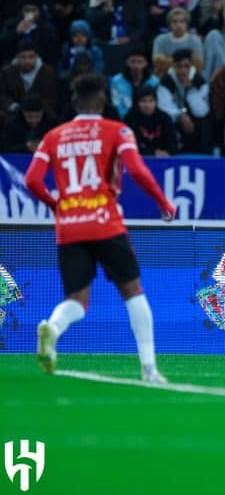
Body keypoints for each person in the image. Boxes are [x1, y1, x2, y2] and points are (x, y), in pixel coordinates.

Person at [23, 72, 177, 383]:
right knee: (133, 291)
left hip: (69, 227)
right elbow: (136, 168)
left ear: (75, 101)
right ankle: (149, 368)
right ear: (104, 101)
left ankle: (52, 328)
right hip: (105, 222)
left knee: (76, 300)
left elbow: (31, 180)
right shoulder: (117, 130)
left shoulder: (54, 135)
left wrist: (58, 207)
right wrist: (163, 202)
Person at [126, 85, 179, 156]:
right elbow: (129, 145)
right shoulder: (130, 119)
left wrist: (168, 152)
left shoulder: (164, 118)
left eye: (151, 101)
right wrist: (153, 153)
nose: (147, 105)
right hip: (138, 158)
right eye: (143, 101)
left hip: (163, 159)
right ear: (137, 103)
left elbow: (173, 143)